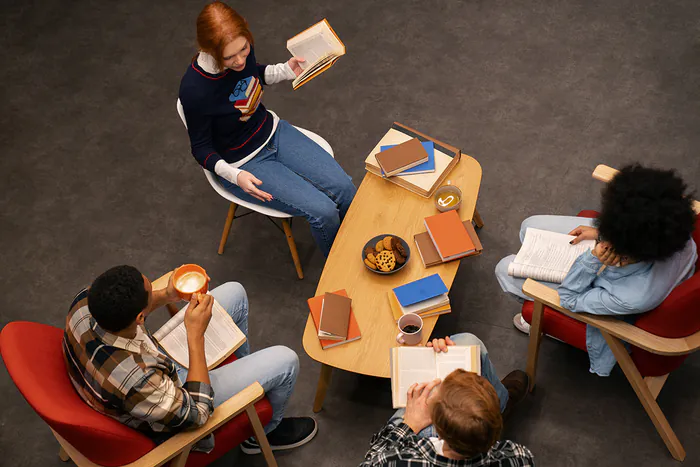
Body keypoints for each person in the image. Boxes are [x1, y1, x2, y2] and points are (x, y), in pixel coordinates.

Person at [63, 265, 317, 455]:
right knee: (287, 360)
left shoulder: (86, 300)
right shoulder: (139, 382)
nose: (155, 289)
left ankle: (251, 385)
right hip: (172, 397)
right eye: (150, 290)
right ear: (140, 318)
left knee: (234, 293)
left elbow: (131, 316)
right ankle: (262, 433)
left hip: (149, 361)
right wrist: (196, 336)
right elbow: (197, 414)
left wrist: (166, 295)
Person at [179, 1, 356, 257]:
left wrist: (286, 70)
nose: (240, 60)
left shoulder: (240, 50)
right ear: (208, 49)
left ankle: (358, 248)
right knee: (324, 211)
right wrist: (234, 175)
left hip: (272, 132)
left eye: (244, 49)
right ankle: (341, 267)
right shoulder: (195, 90)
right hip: (242, 163)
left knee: (346, 190)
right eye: (229, 57)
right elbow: (201, 148)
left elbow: (253, 74)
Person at [495, 164, 697, 376]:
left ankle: (548, 323)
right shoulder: (678, 235)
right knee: (530, 227)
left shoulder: (634, 296)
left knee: (504, 268)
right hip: (630, 241)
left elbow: (569, 298)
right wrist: (604, 231)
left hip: (597, 283)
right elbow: (644, 223)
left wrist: (591, 259)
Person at [360, 334, 534, 466]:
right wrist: (458, 355)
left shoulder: (398, 460)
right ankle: (504, 403)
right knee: (469, 340)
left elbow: (371, 460)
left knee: (403, 414)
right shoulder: (519, 457)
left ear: (438, 430)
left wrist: (409, 425)